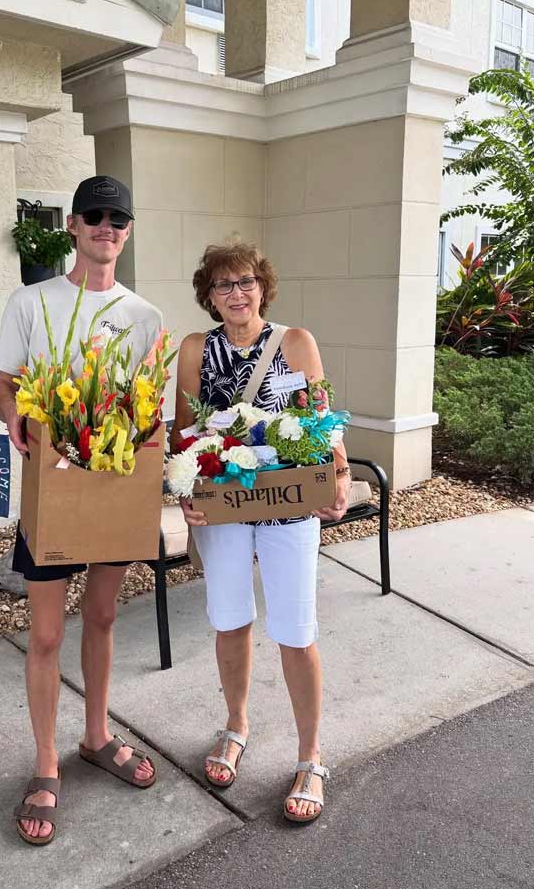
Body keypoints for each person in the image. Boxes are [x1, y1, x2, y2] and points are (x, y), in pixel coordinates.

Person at [0, 176, 162, 845]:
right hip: (53, 493)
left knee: (102, 614)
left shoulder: (143, 316)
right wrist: (17, 417)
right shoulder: (31, 302)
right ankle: (44, 762)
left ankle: (95, 736)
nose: (106, 226)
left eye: (117, 217)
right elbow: (4, 387)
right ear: (71, 224)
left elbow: (147, 408)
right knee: (46, 635)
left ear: (126, 229)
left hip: (114, 490)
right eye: (94, 215)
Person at [171, 241, 351, 824]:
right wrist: (184, 496)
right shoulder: (196, 349)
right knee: (230, 621)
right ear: (209, 294)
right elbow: (183, 434)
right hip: (223, 509)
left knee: (296, 631)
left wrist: (340, 474)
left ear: (262, 285)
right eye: (223, 285)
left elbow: (322, 417)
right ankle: (236, 726)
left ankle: (310, 757)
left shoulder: (296, 342)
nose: (236, 293)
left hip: (288, 505)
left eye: (245, 281)